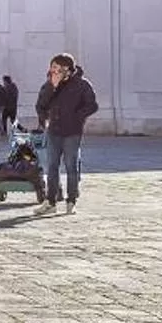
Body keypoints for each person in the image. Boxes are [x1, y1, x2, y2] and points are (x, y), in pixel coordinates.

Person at [33, 53, 100, 215]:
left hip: (72, 131)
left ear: (67, 69)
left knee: (71, 166)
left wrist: (77, 117)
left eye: (56, 68)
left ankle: (71, 201)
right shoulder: (49, 84)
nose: (53, 70)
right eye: (52, 67)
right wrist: (52, 88)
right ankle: (51, 202)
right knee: (52, 166)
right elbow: (40, 106)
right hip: (54, 131)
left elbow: (92, 105)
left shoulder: (82, 85)